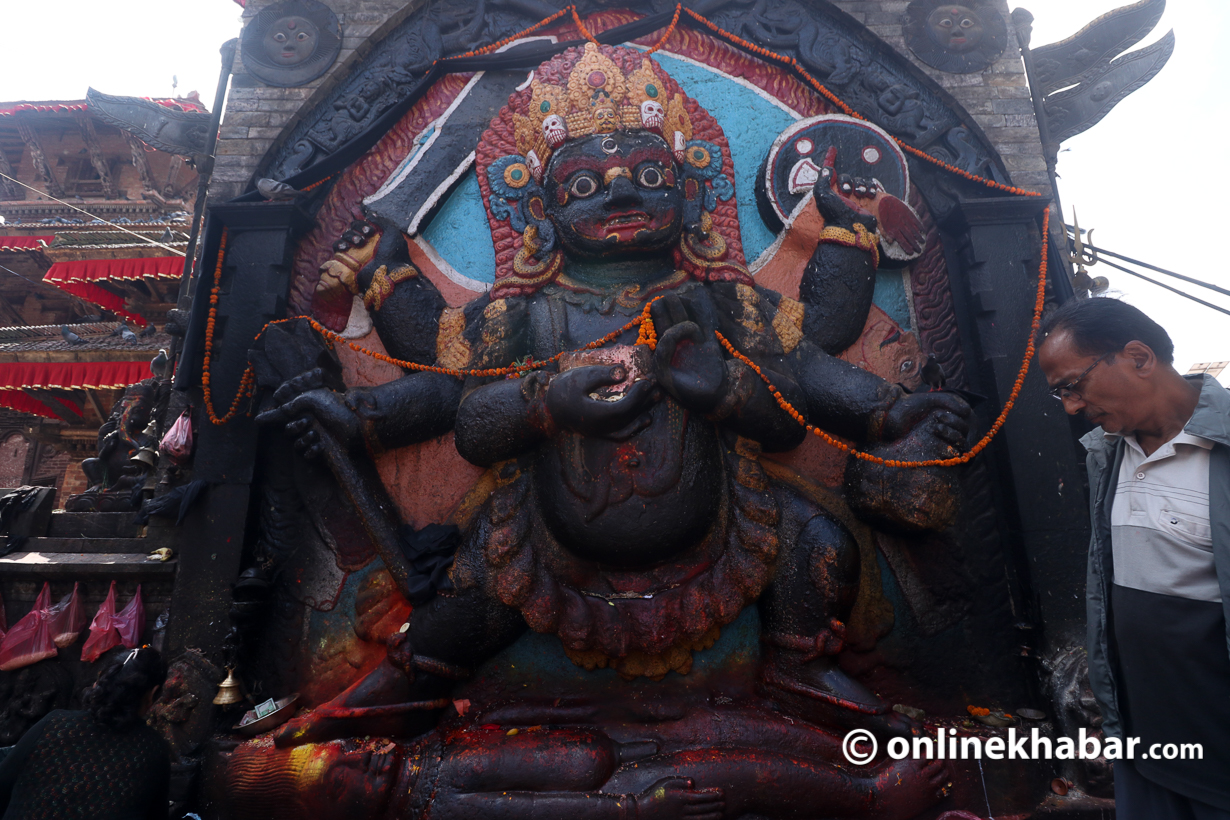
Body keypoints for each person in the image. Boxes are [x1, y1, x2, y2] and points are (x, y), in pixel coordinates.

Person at [1037, 297, 1230, 818]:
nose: (1071, 407)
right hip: (1144, 756)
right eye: (1060, 394)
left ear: (1140, 358)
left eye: (1072, 386)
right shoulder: (1108, 454)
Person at [0, 646, 170, 820]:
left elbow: (3, 782)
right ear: (153, 693)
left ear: (102, 678)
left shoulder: (53, 723)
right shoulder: (153, 749)